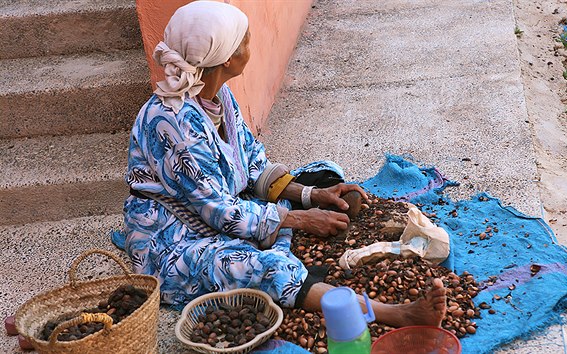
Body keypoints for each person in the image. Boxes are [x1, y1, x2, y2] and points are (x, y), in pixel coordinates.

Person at [123, 1, 446, 328]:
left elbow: (251, 164)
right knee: (260, 267)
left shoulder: (218, 95)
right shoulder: (172, 124)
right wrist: (301, 219)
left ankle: (289, 234)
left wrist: (312, 196)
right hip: (177, 240)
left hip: (231, 206)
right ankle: (395, 314)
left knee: (324, 173)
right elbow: (219, 211)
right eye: (245, 40)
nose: (251, 45)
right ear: (228, 59)